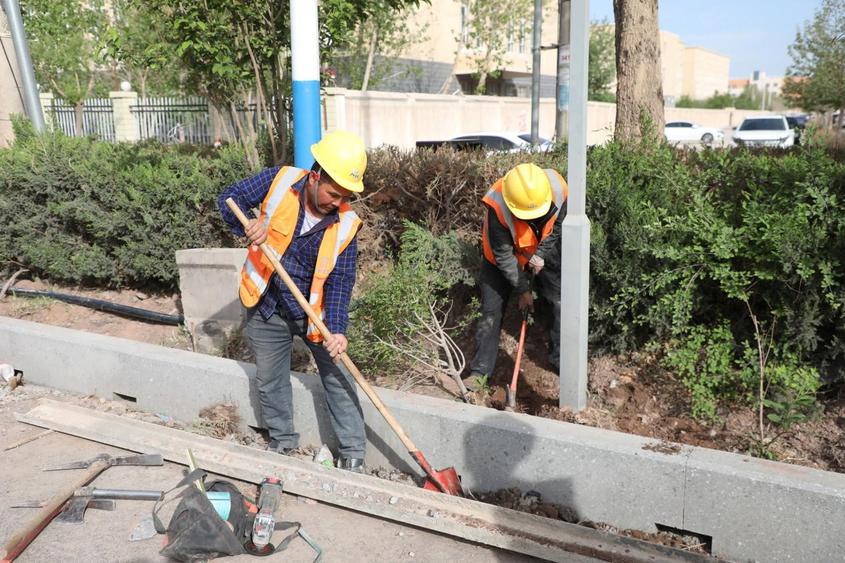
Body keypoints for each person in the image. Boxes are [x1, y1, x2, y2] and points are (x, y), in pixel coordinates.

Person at [218, 130, 367, 473]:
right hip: (267, 303)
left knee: (338, 375)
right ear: (315, 176)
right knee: (271, 379)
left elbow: (342, 280)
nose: (337, 201)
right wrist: (247, 225)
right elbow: (229, 196)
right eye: (333, 193)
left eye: (345, 196)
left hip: (314, 314)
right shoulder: (280, 181)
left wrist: (338, 330)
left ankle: (353, 454)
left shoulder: (345, 224)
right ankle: (282, 443)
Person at [468, 162, 568, 383]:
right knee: (490, 311)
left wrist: (541, 253)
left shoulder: (559, 189)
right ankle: (480, 372)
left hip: (542, 249)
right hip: (500, 259)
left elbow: (559, 226)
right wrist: (523, 290)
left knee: (559, 301)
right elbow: (504, 256)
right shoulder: (498, 205)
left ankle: (562, 361)